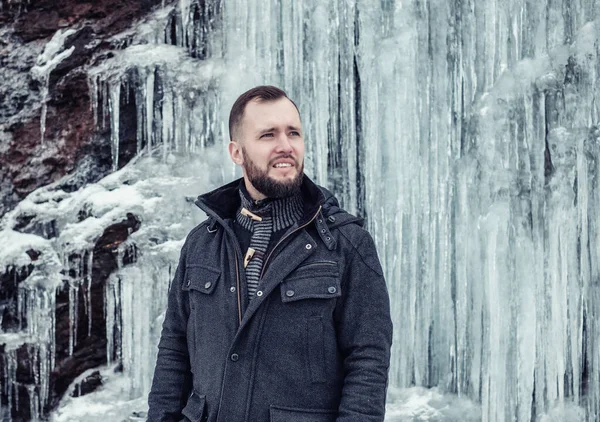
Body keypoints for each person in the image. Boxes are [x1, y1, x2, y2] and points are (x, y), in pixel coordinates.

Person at [147, 86, 393, 422]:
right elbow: (174, 351)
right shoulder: (201, 244)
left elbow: (368, 360)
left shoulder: (346, 244)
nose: (285, 146)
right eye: (268, 135)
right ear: (237, 152)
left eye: (294, 132)